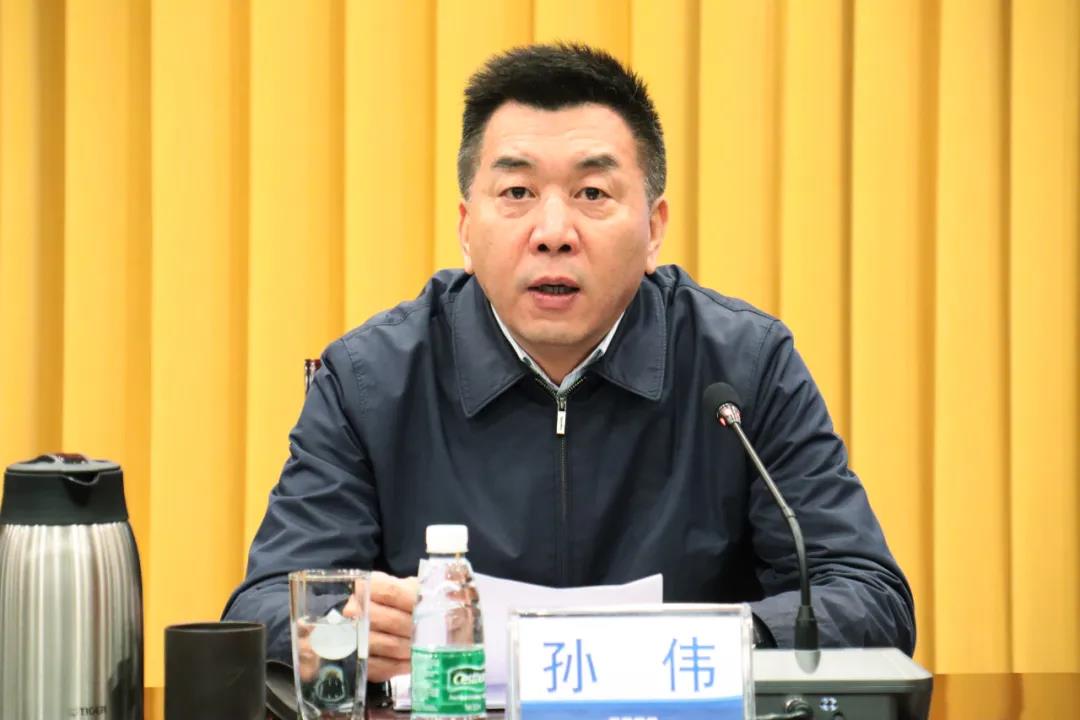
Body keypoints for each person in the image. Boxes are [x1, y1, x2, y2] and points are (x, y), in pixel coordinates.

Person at [223, 43, 915, 683]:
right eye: (517, 193)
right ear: (466, 229)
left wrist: (718, 644)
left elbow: (868, 595)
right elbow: (261, 608)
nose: (553, 233)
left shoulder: (742, 367)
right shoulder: (371, 380)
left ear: (654, 229)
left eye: (592, 194)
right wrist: (327, 630)